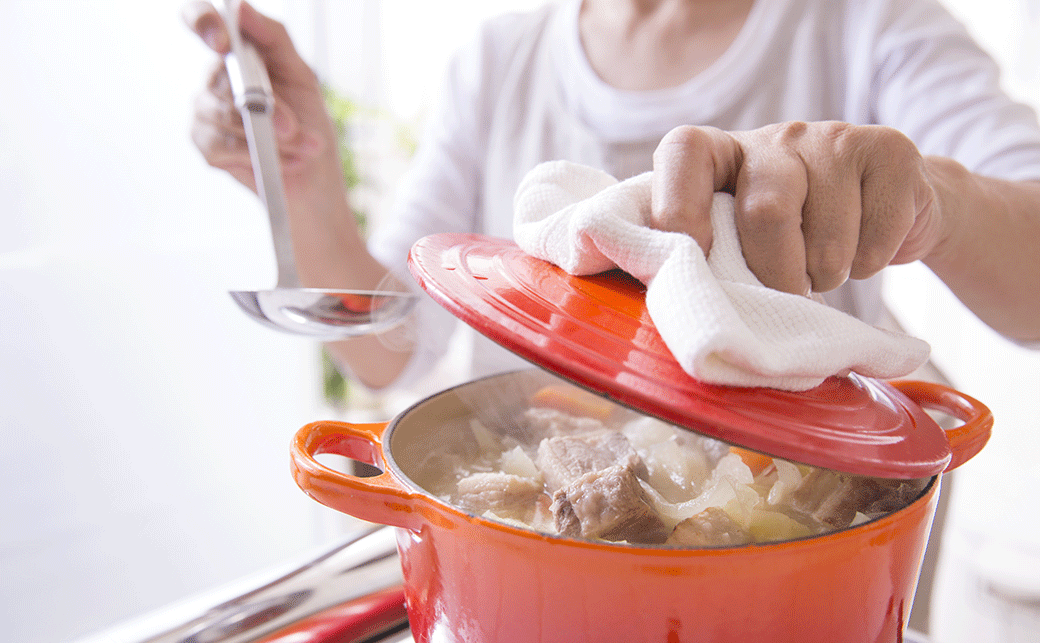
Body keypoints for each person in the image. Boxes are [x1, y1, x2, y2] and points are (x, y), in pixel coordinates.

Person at [184, 0, 1040, 396]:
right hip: (529, 553)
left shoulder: (867, 25)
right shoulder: (500, 58)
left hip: (775, 559)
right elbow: (392, 341)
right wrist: (304, 182)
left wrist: (931, 200)